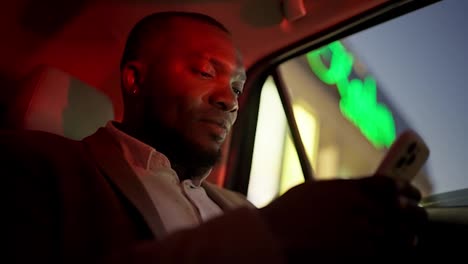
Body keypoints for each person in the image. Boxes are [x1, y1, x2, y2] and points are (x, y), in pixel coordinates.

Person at [2, 11, 426, 263]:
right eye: (206, 73)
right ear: (135, 78)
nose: (230, 100)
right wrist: (271, 236)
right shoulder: (34, 164)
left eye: (240, 88)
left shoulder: (239, 206)